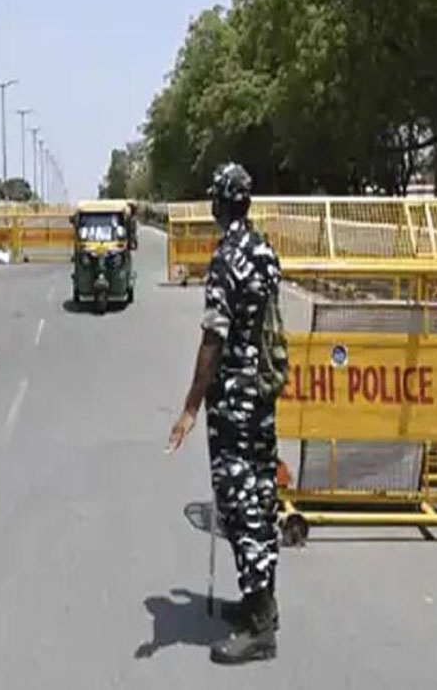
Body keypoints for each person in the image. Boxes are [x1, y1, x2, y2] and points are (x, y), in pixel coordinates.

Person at [166, 162, 282, 665]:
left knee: (240, 503)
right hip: (262, 393)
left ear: (219, 204)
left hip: (234, 397)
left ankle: (260, 628)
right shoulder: (262, 250)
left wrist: (191, 405)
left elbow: (214, 336)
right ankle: (263, 604)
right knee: (262, 490)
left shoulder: (227, 259)